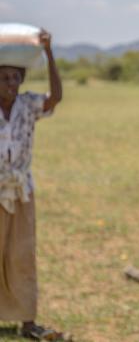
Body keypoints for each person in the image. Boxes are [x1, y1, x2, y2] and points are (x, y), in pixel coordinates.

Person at [0, 30, 65, 340]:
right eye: (4, 78)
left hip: (22, 191)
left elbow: (55, 98)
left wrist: (49, 53)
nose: (11, 84)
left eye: (15, 78)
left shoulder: (27, 105)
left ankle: (26, 320)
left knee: (21, 254)